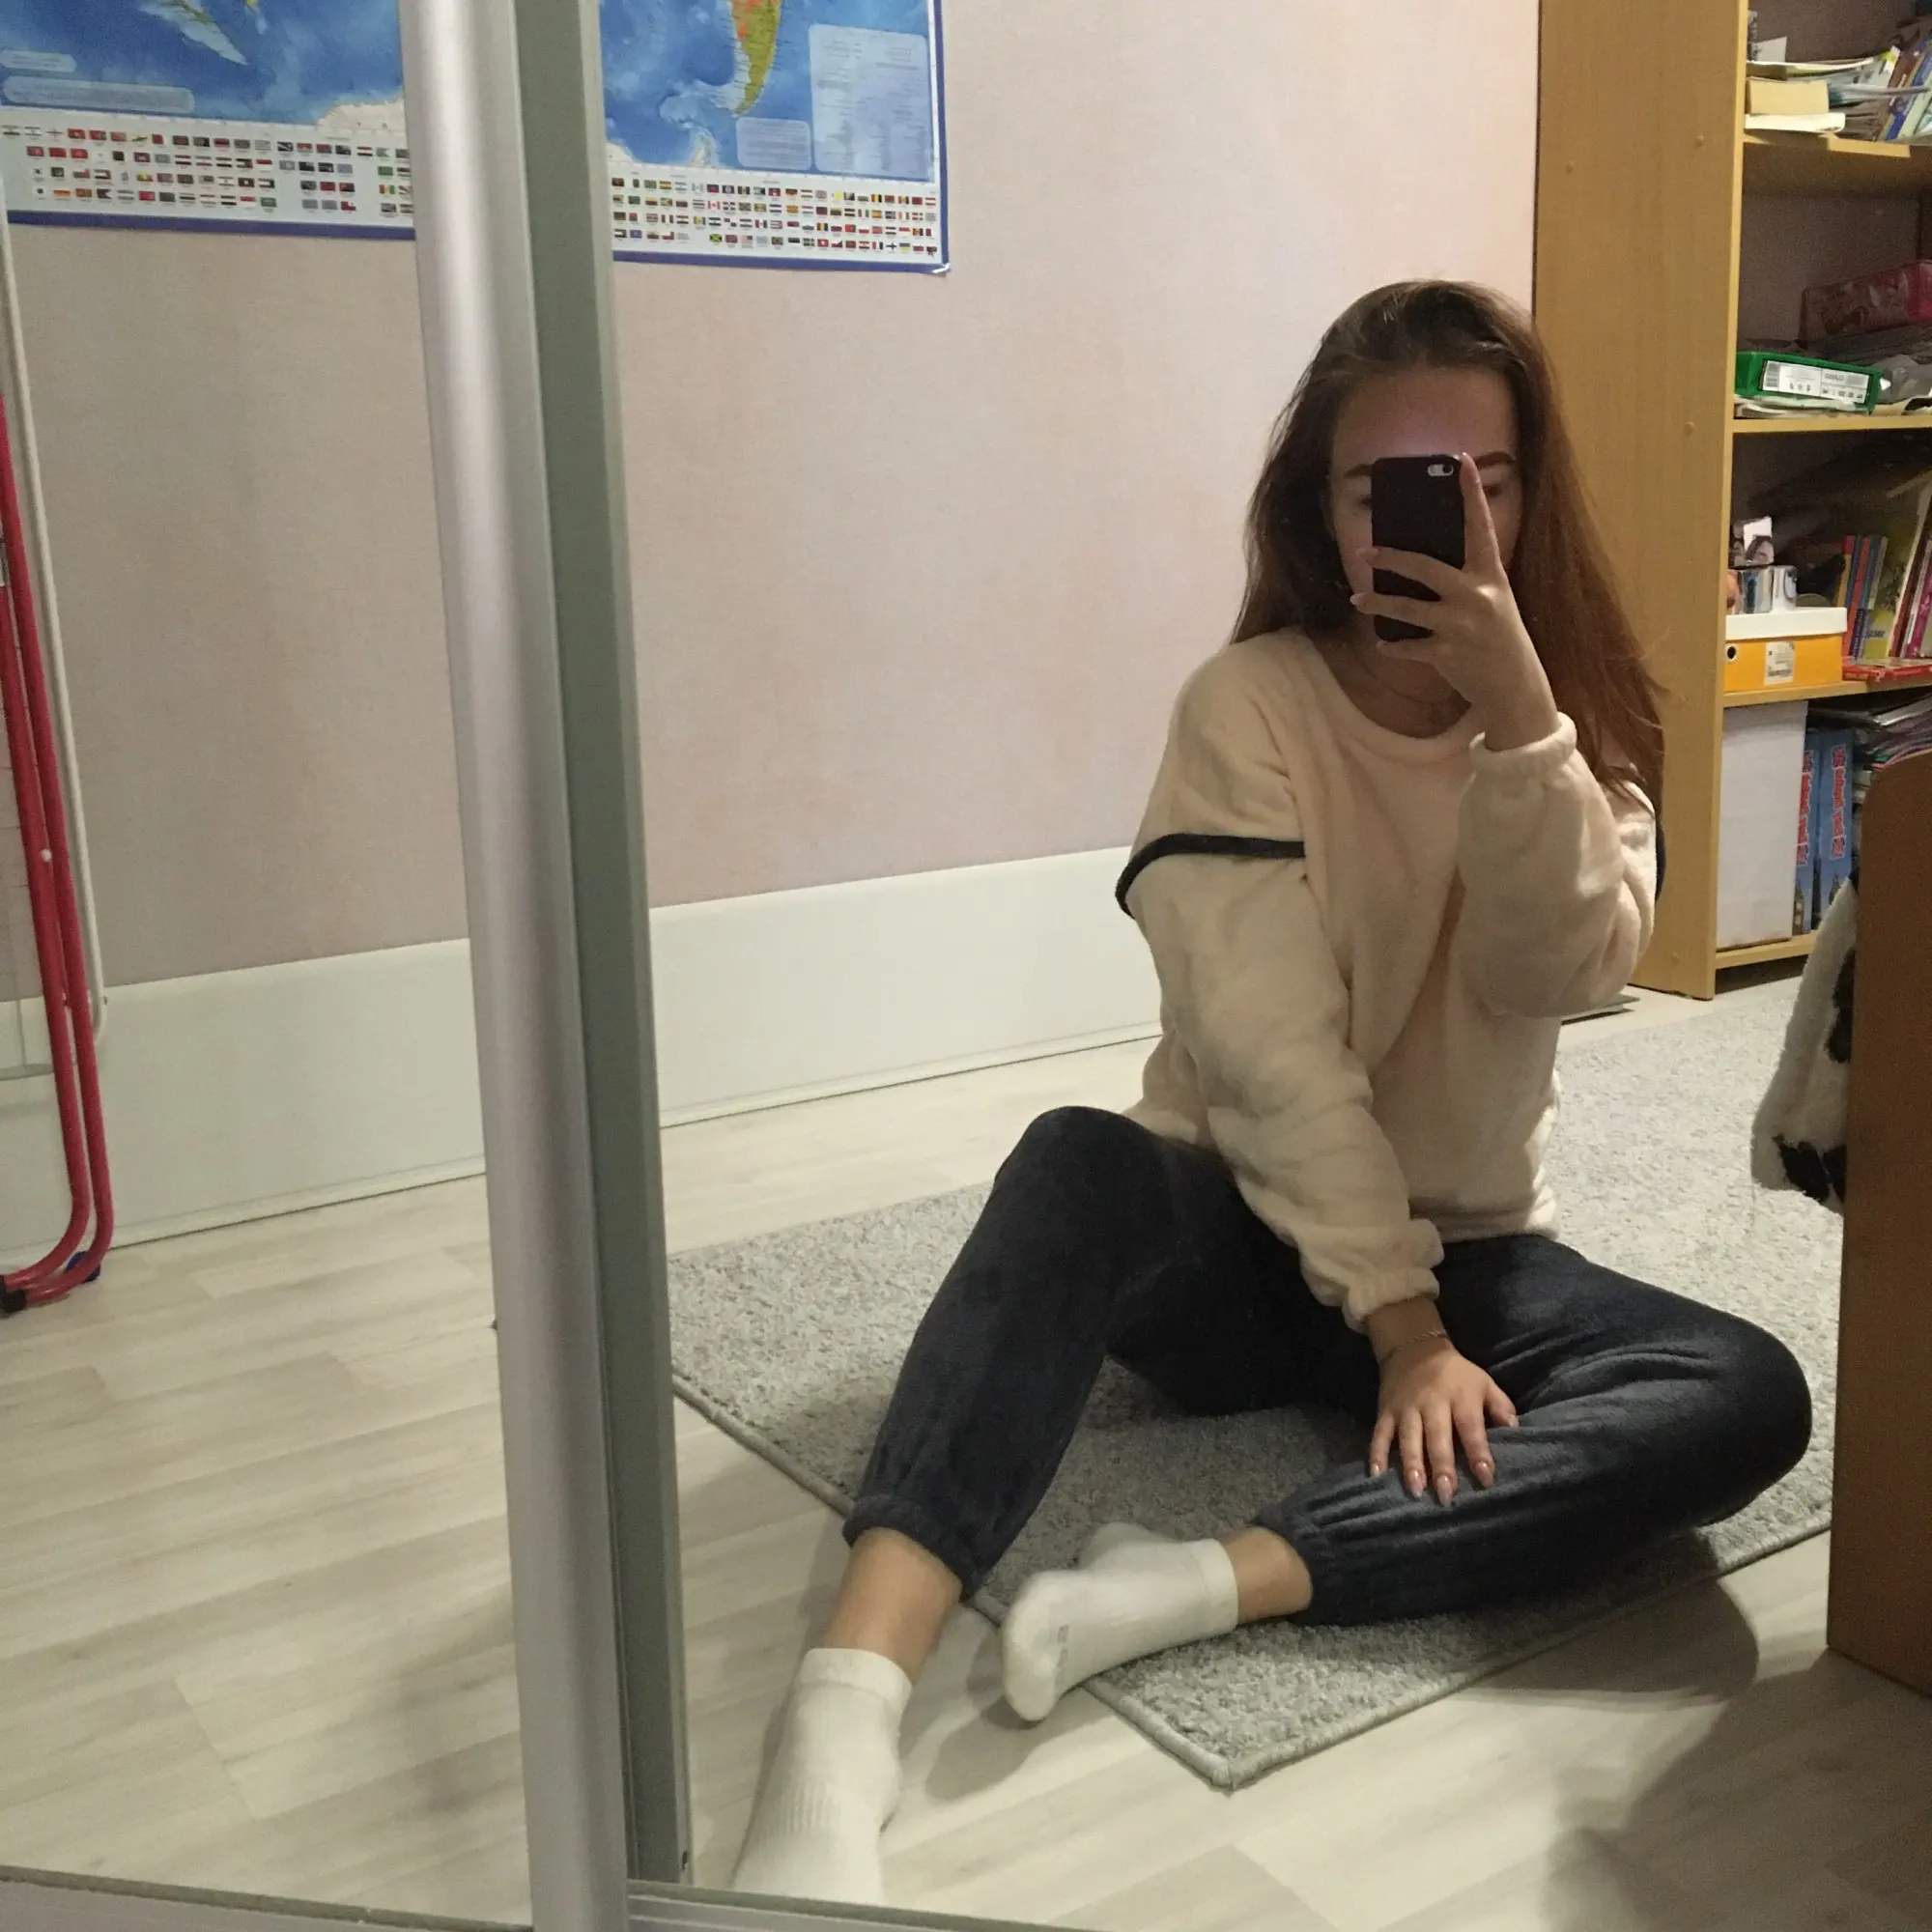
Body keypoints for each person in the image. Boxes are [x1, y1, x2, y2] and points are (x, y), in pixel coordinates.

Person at [731, 280, 1814, 1906]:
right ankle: (844, 1705)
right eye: (1390, 487)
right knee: (1077, 1163)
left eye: (1485, 483)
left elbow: (1566, 972)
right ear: (1323, 507)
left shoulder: (1573, 722)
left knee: (1745, 1392)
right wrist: (1401, 1329)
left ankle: (1197, 1582)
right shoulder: (1245, 707)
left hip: (1476, 1244)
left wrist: (1524, 727)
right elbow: (1268, 1056)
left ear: (1534, 497)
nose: (1443, 524)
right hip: (1239, 1235)